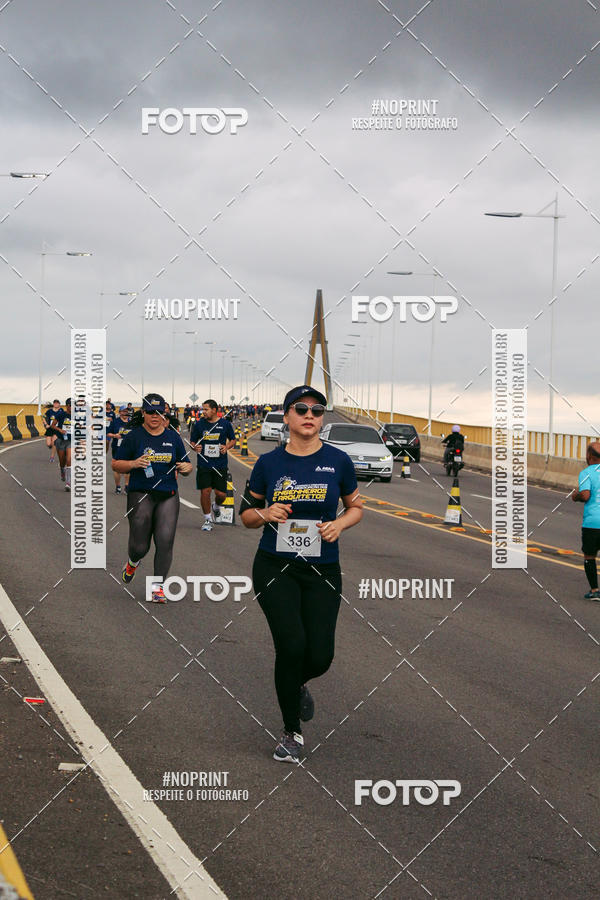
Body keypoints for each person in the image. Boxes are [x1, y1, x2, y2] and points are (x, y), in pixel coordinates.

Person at [240, 385, 363, 763]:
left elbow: (356, 507)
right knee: (291, 645)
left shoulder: (339, 461)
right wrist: (266, 514)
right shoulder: (268, 464)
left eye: (317, 410)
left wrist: (340, 525)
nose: (310, 415)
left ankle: (298, 684)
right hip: (275, 566)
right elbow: (245, 516)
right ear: (288, 416)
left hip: (323, 568)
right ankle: (291, 732)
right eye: (301, 409)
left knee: (321, 655)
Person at [113, 393, 192, 602]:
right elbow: (116, 464)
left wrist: (186, 468)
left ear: (164, 414)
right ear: (143, 413)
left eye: (159, 412)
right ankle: (132, 562)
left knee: (165, 541)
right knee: (140, 546)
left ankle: (158, 588)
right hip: (140, 494)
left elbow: (187, 465)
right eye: (150, 412)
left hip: (168, 495)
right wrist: (133, 464)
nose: (155, 416)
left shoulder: (173, 437)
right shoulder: (133, 437)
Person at [190, 400, 236, 532]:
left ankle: (215, 506)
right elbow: (193, 441)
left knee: (221, 494)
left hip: (220, 464)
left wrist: (226, 447)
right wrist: (195, 447)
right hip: (204, 463)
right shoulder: (199, 425)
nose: (203, 412)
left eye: (206, 409)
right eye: (202, 409)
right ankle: (208, 519)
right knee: (206, 491)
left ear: (214, 410)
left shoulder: (225, 424)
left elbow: (233, 440)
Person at [572, 441, 600, 600]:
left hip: (592, 524)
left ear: (589, 456)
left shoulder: (586, 473)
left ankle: (595, 591)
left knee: (589, 556)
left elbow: (586, 495)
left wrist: (575, 496)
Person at [106, 405, 132, 493]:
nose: (125, 413)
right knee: (116, 467)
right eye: (123, 411)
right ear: (120, 412)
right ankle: (118, 486)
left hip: (129, 447)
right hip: (117, 447)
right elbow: (108, 433)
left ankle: (127, 486)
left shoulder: (132, 423)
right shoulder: (115, 422)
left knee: (128, 467)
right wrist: (114, 435)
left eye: (127, 411)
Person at [50, 398, 73, 490]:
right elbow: (53, 425)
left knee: (69, 460)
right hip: (61, 440)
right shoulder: (61, 414)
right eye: (71, 405)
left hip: (71, 441)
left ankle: (68, 483)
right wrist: (60, 430)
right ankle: (62, 470)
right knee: (62, 461)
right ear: (67, 406)